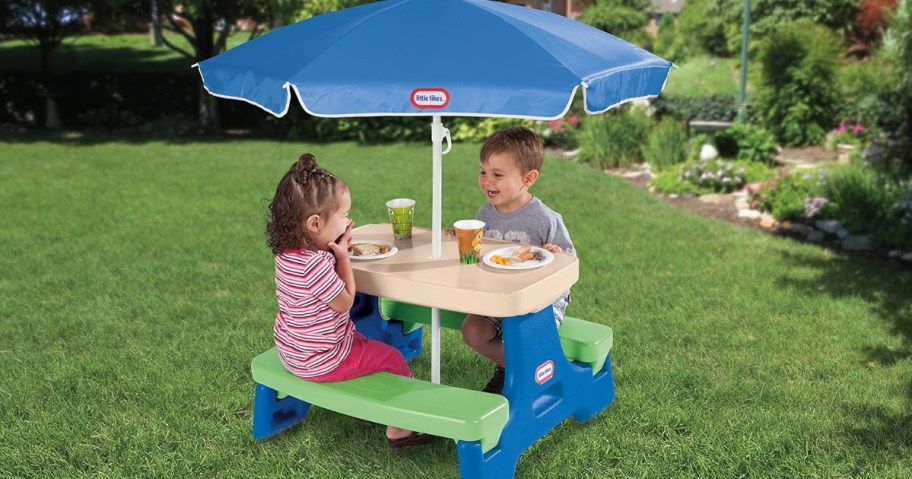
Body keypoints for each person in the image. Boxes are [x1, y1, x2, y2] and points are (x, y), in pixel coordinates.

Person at [266, 153, 435, 449]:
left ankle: (373, 402)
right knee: (392, 357)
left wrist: (333, 251)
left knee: (365, 340)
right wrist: (342, 256)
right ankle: (401, 427)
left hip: (292, 350)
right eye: (343, 216)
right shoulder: (316, 265)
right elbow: (345, 302)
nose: (347, 223)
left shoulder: (286, 255)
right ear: (315, 223)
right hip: (322, 360)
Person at [461, 127, 575, 394]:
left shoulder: (545, 219)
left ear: (529, 178)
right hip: (500, 294)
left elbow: (569, 263)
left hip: (541, 299)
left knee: (521, 333)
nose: (487, 181)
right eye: (483, 172)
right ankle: (516, 368)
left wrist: (557, 255)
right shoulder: (485, 212)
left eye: (498, 175)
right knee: (472, 331)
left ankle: (525, 375)